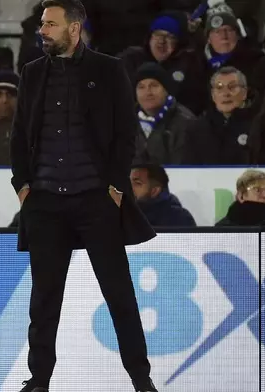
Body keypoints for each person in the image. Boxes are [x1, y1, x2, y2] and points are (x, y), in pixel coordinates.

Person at [10, 1, 157, 391]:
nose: (42, 30)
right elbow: (19, 135)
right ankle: (38, 380)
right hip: (44, 203)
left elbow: (127, 133)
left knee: (119, 295)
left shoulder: (108, 69)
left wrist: (113, 187)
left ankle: (141, 381)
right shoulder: (31, 72)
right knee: (43, 303)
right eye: (42, 23)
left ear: (74, 28)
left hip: (96, 200)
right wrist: (23, 187)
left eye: (50, 24)